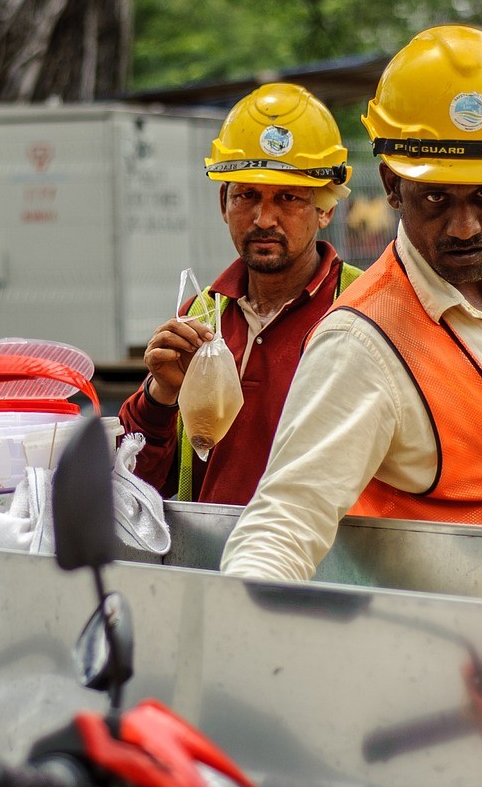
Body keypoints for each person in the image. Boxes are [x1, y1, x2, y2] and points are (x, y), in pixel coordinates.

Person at [221, 26, 482, 581]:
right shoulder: (360, 343)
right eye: (437, 198)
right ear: (393, 187)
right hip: (457, 655)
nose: (464, 225)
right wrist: (244, 625)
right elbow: (281, 524)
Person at [119, 84, 359, 503]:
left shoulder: (365, 304)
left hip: (326, 564)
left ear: (325, 209)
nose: (264, 219)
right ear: (223, 203)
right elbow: (138, 486)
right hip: (212, 560)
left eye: (288, 197)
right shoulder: (202, 314)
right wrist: (161, 396)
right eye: (247, 195)